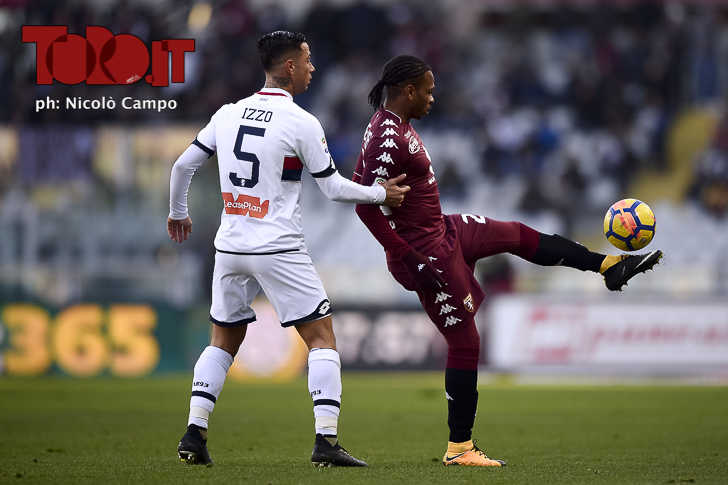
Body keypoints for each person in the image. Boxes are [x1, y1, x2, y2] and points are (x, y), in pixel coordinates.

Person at [353, 55, 663, 467]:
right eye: (428, 91)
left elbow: (363, 189)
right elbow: (365, 205)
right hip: (427, 254)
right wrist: (410, 258)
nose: (433, 98)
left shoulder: (389, 125)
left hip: (444, 230)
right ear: (409, 91)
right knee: (466, 343)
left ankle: (608, 266)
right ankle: (459, 448)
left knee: (517, 234)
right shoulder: (386, 137)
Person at [167, 31, 410, 468]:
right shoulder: (300, 121)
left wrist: (178, 213)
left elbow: (183, 164)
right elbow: (333, 189)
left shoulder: (227, 113)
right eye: (308, 59)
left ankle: (194, 432)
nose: (313, 68)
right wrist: (381, 194)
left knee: (222, 340)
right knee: (322, 339)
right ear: (290, 66)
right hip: (277, 246)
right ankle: (326, 440)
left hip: (230, 246)